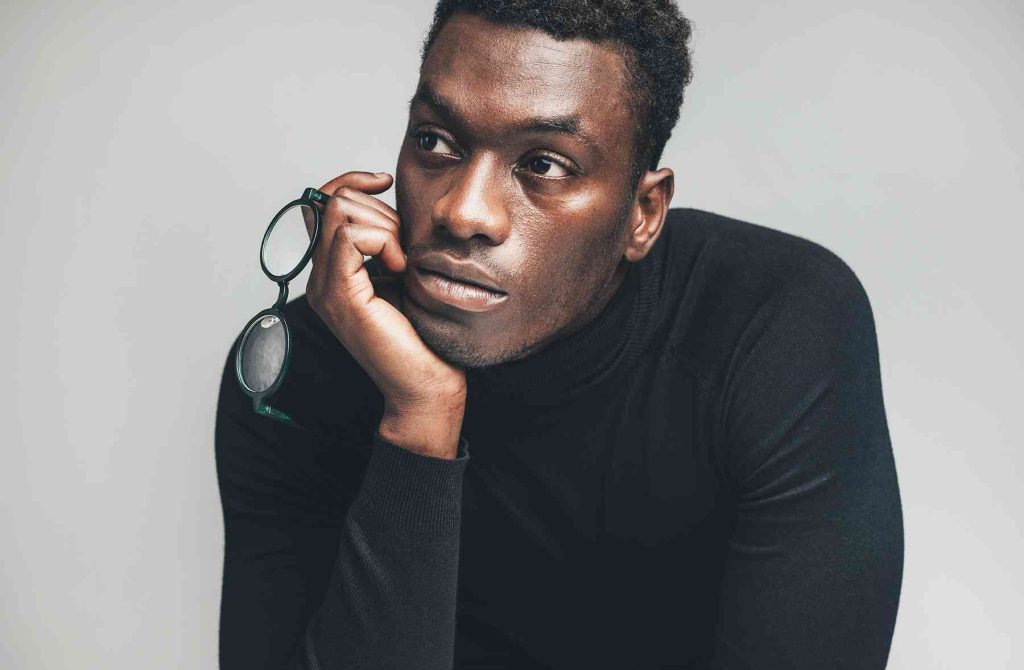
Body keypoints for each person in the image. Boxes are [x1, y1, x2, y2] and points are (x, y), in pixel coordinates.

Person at [215, 1, 904, 668]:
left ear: (643, 213)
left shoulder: (770, 324)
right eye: (435, 142)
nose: (464, 212)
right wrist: (420, 422)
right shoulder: (292, 368)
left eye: (543, 164)